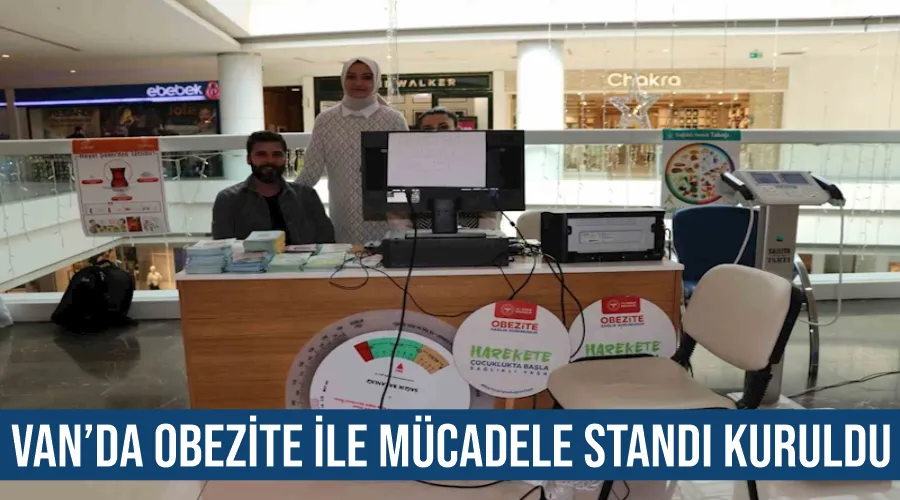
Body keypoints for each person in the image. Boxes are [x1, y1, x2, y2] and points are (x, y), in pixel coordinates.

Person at [298, 57, 409, 243]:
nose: (358, 83)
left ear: (376, 81)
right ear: (343, 79)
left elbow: (405, 170)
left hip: (386, 215)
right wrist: (281, 197)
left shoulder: (393, 120)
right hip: (342, 216)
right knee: (345, 257)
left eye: (366, 77)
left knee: (385, 256)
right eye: (351, 77)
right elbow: (310, 171)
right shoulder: (325, 120)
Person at [388, 107, 501, 231]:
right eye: (428, 129)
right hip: (420, 238)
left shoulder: (476, 164)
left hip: (473, 236)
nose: (436, 133)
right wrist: (408, 240)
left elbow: (490, 212)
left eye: (443, 127)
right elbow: (397, 213)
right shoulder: (407, 167)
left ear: (457, 131)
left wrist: (482, 238)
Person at [212, 131, 335, 244]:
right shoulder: (228, 200)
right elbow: (223, 248)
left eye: (277, 154)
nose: (270, 160)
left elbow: (327, 242)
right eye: (261, 154)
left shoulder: (307, 196)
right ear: (249, 159)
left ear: (285, 159)